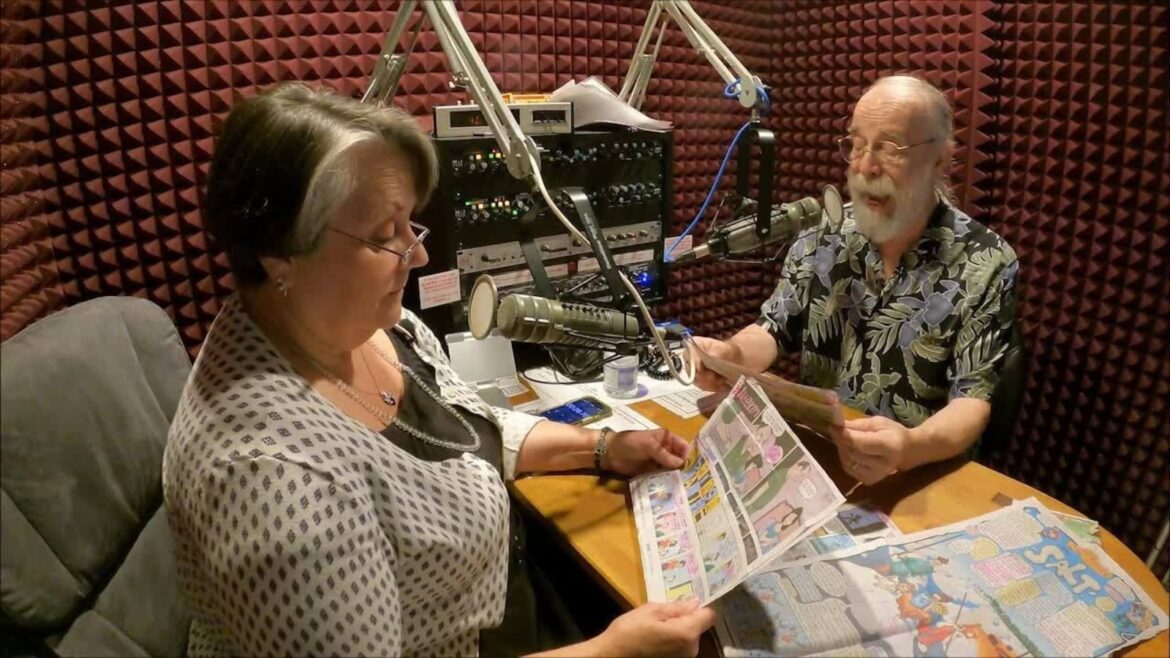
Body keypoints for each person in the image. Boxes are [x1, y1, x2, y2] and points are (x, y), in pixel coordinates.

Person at [163, 82, 715, 657]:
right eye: (384, 236)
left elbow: (470, 430)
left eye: (410, 224)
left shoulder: (373, 326)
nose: (419, 254)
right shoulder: (275, 483)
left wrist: (603, 447)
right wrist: (617, 652)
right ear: (279, 256)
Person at [690, 74, 1018, 486]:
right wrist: (731, 354)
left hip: (915, 475)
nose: (865, 167)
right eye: (857, 144)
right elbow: (774, 329)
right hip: (821, 464)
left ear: (941, 158)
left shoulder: (985, 260)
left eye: (890, 148)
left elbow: (972, 401)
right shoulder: (821, 235)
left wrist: (910, 447)